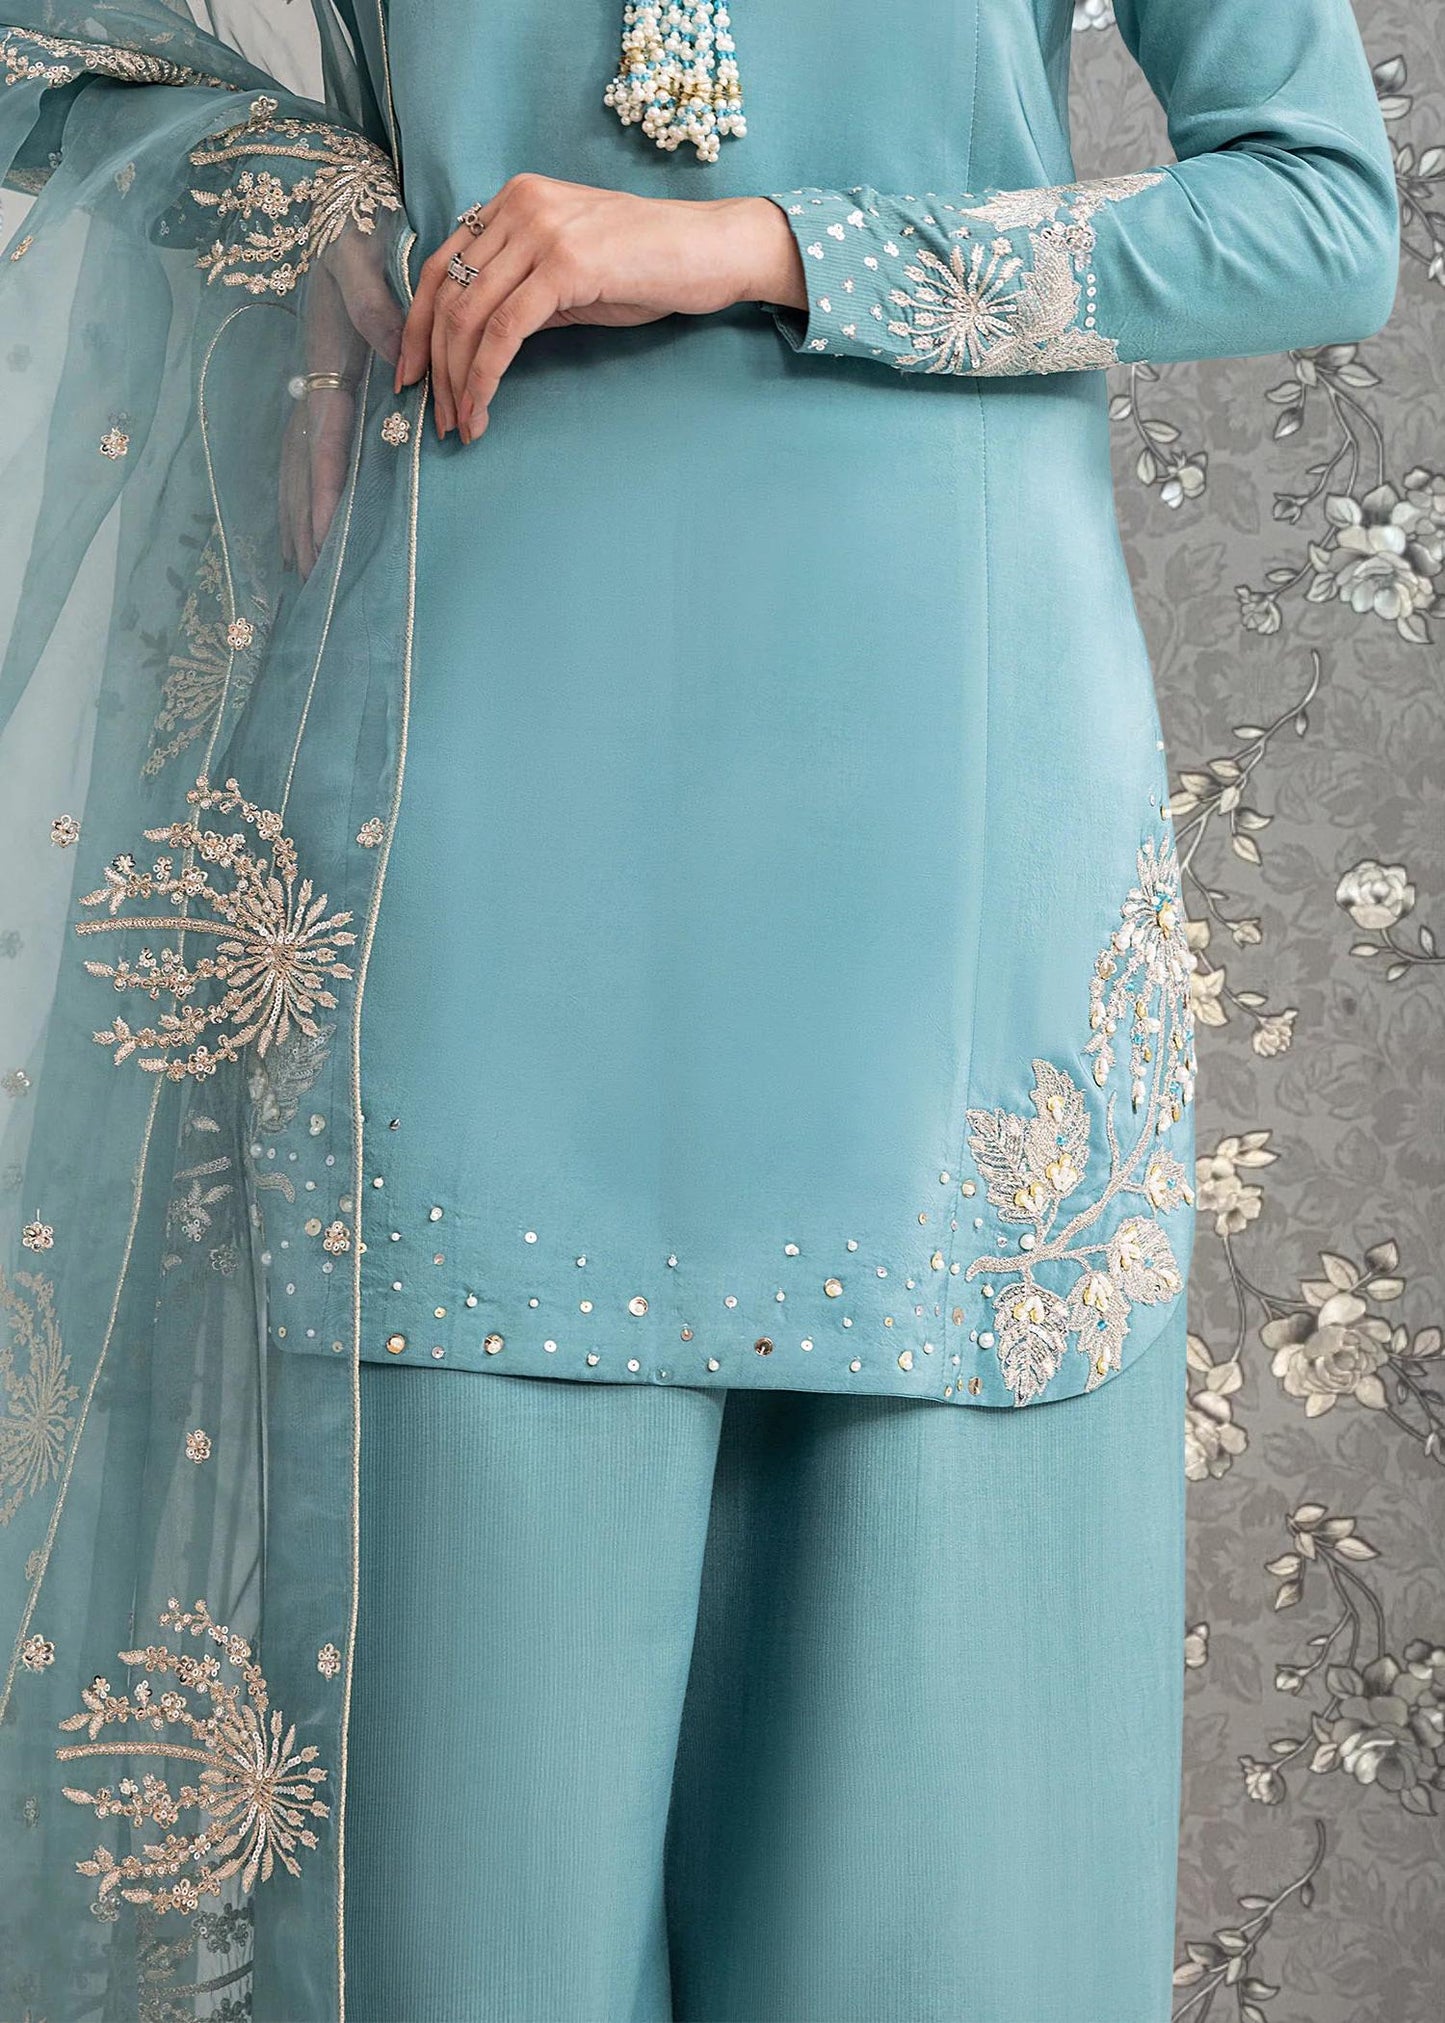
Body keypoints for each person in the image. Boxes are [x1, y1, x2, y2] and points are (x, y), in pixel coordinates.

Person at [0, 3, 1397, 2020]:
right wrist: (293, 208)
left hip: (937, 832)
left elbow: (1320, 218)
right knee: (463, 1912)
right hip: (476, 772)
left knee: (941, 1912)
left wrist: (768, 245)